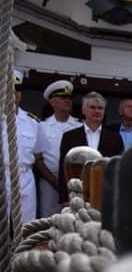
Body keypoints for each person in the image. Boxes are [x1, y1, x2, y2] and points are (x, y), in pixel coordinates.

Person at [5, 70, 51, 225]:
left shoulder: (33, 122)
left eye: (17, 89)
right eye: (9, 88)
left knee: (26, 224)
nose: (14, 93)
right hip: (2, 174)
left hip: (25, 176)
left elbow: (38, 155)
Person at [37, 79, 80, 217]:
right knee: (49, 222)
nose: (68, 100)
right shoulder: (42, 127)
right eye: (63, 97)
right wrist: (55, 183)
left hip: (74, 184)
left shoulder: (79, 126)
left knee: (73, 221)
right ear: (52, 102)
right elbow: (38, 159)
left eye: (69, 98)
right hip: (49, 183)